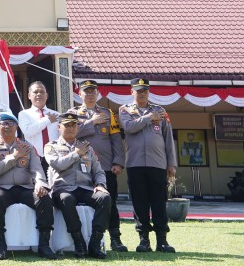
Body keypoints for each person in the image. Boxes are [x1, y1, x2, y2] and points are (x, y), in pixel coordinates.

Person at [0, 112, 55, 260]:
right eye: (3, 124)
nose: (7, 127)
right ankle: (0, 245)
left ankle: (44, 245)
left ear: (17, 126)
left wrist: (40, 183)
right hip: (2, 188)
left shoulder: (27, 146)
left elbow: (36, 168)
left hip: (25, 188)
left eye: (11, 124)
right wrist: (15, 156)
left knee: (44, 199)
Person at [118, 78, 177, 253]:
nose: (142, 93)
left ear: (148, 92)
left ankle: (162, 241)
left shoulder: (161, 111)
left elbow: (168, 138)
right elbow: (129, 127)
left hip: (158, 164)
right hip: (135, 164)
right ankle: (144, 240)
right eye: (138, 90)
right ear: (132, 92)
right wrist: (148, 118)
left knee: (159, 202)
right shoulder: (125, 110)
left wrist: (171, 163)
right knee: (139, 203)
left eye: (144, 90)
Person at [69, 79, 127, 251]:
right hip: (80, 167)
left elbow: (116, 139)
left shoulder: (108, 113)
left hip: (106, 166)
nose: (89, 94)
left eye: (92, 91)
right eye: (86, 91)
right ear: (79, 94)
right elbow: (71, 134)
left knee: (110, 203)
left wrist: (118, 162)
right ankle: (85, 238)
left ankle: (115, 239)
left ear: (97, 93)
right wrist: (91, 122)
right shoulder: (73, 113)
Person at [44, 112, 110, 259]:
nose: (70, 128)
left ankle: (95, 243)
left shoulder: (87, 148)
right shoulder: (51, 146)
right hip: (63, 189)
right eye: (67, 125)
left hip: (85, 188)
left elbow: (98, 170)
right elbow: (58, 165)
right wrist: (76, 154)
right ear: (59, 127)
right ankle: (79, 242)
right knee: (67, 199)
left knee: (104, 197)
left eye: (74, 125)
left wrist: (100, 184)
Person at [18, 81, 59, 170]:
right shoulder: (24, 114)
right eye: (35, 92)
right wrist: (47, 120)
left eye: (42, 92)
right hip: (34, 159)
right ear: (29, 96)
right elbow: (28, 132)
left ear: (46, 95)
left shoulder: (56, 115)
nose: (39, 94)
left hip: (55, 158)